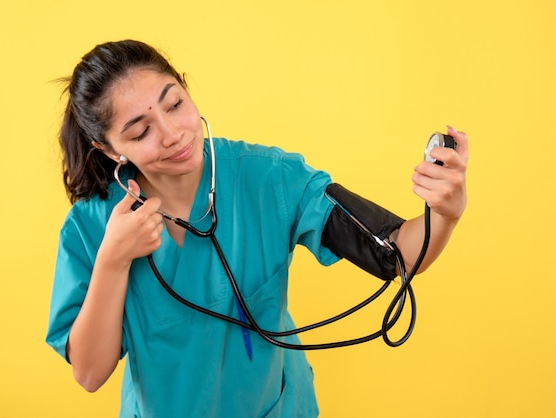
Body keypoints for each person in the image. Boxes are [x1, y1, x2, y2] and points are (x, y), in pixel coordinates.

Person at [46, 39, 468, 418]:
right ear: (107, 148)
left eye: (175, 105)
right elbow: (89, 373)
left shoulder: (270, 179)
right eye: (141, 131)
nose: (173, 134)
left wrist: (443, 214)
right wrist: (113, 259)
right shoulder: (90, 226)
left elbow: (396, 255)